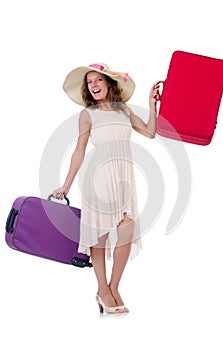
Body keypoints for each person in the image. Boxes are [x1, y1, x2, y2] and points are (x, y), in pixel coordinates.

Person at [53, 63, 159, 314]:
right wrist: (66, 186)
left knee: (126, 230)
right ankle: (102, 289)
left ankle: (114, 286)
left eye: (98, 80)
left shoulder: (124, 111)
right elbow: (79, 151)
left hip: (124, 177)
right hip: (98, 175)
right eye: (90, 82)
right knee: (98, 234)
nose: (94, 85)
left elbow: (151, 132)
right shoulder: (87, 114)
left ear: (109, 83)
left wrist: (152, 103)